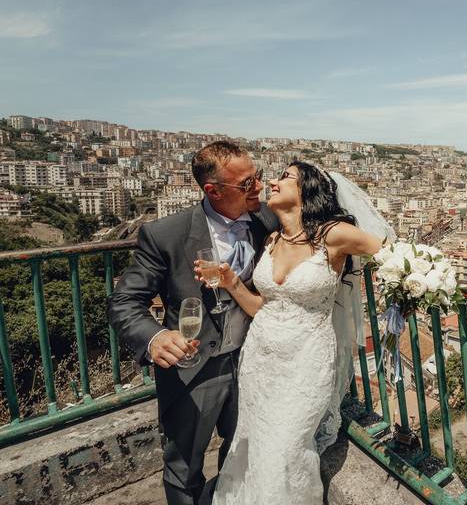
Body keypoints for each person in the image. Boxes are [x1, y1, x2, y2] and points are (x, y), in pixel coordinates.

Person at [210, 161, 393, 505]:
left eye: (285, 177)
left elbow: (392, 253)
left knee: (286, 449)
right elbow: (262, 307)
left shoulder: (334, 234)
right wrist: (231, 282)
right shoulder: (272, 239)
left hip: (306, 361)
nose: (273, 182)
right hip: (261, 360)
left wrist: (417, 283)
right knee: (256, 442)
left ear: (307, 191)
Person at [107, 141, 279, 505]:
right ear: (212, 191)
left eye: (258, 178)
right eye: (246, 184)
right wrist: (155, 339)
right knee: (184, 467)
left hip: (254, 361)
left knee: (244, 455)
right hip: (193, 366)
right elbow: (125, 301)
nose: (258, 189)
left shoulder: (268, 220)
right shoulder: (166, 234)